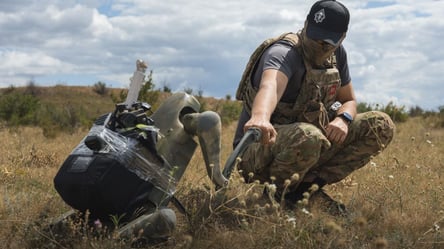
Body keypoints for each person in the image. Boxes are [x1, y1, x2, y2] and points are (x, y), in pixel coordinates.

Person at [234, 0, 395, 212]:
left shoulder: (338, 55)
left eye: (326, 41)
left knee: (380, 125)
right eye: (314, 35)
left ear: (341, 38)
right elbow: (270, 85)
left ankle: (305, 190)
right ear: (306, 25)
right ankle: (277, 196)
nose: (319, 44)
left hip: (310, 142)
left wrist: (343, 119)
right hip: (257, 149)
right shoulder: (283, 52)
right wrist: (261, 117)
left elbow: (349, 100)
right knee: (308, 136)